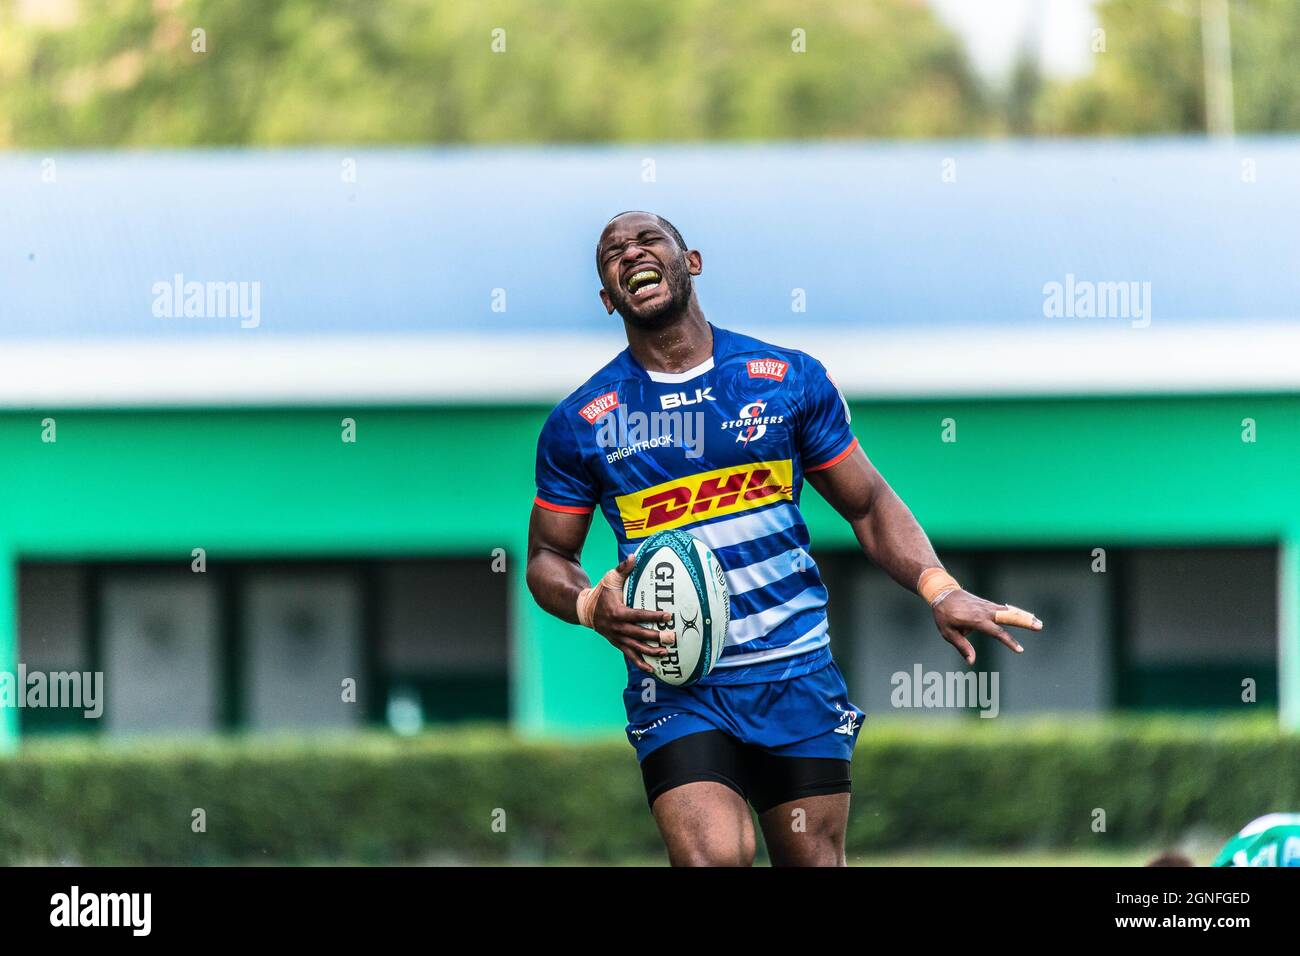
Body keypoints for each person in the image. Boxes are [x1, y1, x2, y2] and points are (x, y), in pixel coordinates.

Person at [525, 211, 1043, 866]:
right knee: (715, 856)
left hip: (795, 671)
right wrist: (587, 607)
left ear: (693, 261)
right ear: (607, 298)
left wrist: (940, 589)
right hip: (680, 684)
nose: (631, 252)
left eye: (648, 239)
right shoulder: (582, 422)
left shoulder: (786, 379)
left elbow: (869, 504)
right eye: (612, 253)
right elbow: (548, 556)